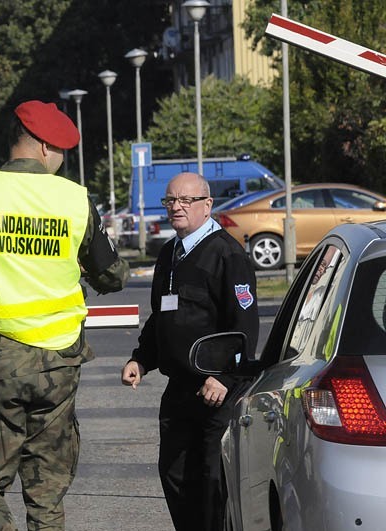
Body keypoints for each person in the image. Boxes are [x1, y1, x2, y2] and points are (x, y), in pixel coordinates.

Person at [0, 100, 130, 530]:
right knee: (46, 493)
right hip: (59, 365)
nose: (61, 161)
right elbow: (113, 275)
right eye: (60, 151)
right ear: (43, 146)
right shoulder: (75, 199)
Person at [121, 172, 259, 531]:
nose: (176, 208)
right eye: (170, 201)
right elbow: (161, 316)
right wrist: (141, 359)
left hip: (216, 392)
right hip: (180, 388)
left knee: (213, 481)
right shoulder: (170, 252)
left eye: (186, 201)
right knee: (175, 473)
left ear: (207, 204)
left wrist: (225, 377)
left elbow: (244, 326)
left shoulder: (228, 254)